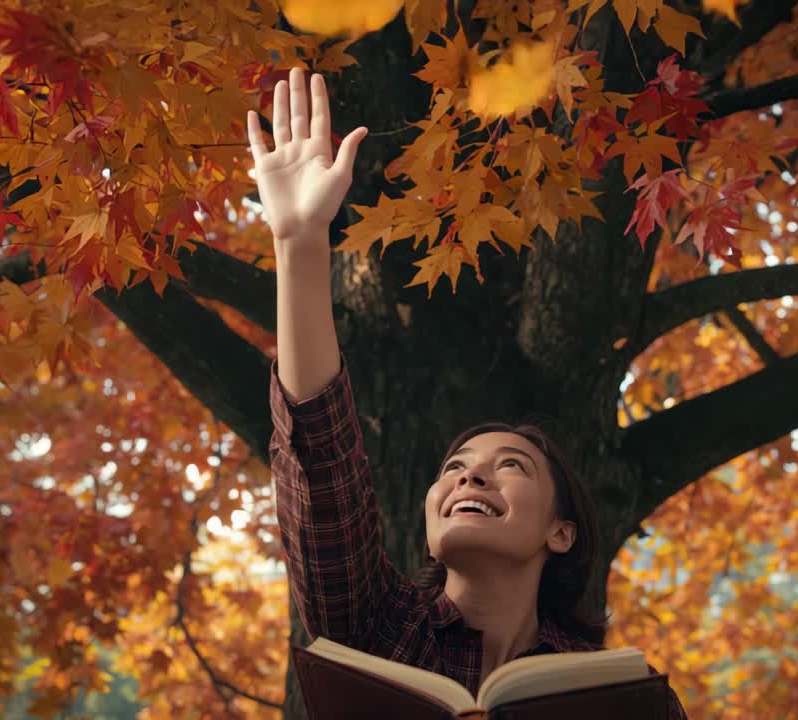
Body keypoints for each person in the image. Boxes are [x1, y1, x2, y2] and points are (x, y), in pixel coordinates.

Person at [248, 66, 687, 716]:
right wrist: (301, 244)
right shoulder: (377, 631)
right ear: (428, 526)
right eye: (454, 469)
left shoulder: (615, 696)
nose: (467, 481)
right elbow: (322, 464)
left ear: (561, 533)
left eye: (509, 467)